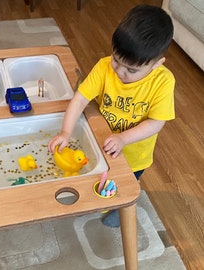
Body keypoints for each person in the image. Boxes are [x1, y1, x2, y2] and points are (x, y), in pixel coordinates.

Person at [48, 4, 175, 227]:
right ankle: (102, 198)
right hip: (101, 140)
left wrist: (124, 138)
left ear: (156, 65)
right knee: (100, 176)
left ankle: (121, 206)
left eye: (131, 70)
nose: (119, 71)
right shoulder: (104, 67)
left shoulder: (163, 82)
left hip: (135, 154)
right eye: (116, 59)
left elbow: (156, 122)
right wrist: (65, 132)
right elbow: (79, 99)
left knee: (124, 185)